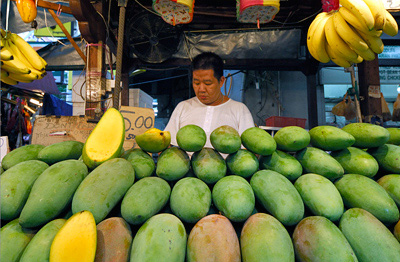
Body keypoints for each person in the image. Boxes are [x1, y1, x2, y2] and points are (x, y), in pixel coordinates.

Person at [164, 52, 255, 150]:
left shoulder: (239, 110)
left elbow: (250, 149)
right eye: (196, 83)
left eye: (208, 83)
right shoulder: (183, 107)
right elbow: (167, 143)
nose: (201, 89)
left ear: (221, 81)